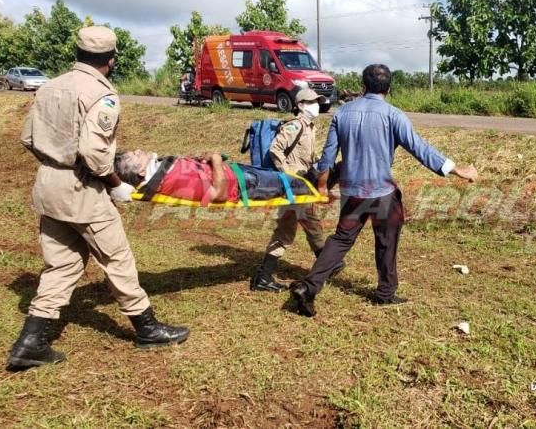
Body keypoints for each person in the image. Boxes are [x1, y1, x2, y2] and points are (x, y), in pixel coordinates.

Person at [9, 26, 189, 369]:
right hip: (83, 188)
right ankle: (147, 328)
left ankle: (30, 342)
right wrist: (115, 183)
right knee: (117, 258)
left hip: (48, 184)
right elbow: (93, 153)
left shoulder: (49, 87)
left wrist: (55, 164)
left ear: (78, 53)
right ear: (111, 59)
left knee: (61, 264)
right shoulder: (101, 95)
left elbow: (28, 139)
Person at [290, 64, 478, 317]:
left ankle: (309, 287)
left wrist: (323, 186)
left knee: (341, 239)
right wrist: (456, 169)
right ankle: (385, 293)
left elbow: (327, 158)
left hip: (352, 191)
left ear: (363, 86)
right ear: (389, 88)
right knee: (387, 240)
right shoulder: (393, 115)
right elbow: (419, 148)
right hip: (381, 192)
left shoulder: (342, 113)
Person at [251, 88, 343, 293]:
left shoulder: (309, 127)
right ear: (300, 105)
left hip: (301, 186)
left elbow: (307, 158)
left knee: (303, 226)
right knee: (292, 229)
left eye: (317, 102)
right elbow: (276, 149)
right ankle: (264, 277)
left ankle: (265, 276)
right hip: (294, 186)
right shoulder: (295, 126)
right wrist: (288, 175)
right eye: (311, 102)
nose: (316, 105)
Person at [113, 150, 318, 204]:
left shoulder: (161, 170)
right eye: (135, 155)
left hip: (239, 175)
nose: (138, 150)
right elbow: (219, 194)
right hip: (245, 183)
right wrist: (216, 160)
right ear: (141, 172)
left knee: (295, 180)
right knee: (297, 184)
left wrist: (204, 160)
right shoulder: (173, 180)